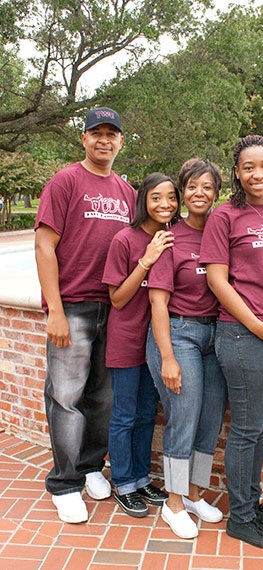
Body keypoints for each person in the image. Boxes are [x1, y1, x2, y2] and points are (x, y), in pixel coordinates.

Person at [200, 135, 263, 549]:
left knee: (259, 429)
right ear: (237, 173)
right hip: (243, 334)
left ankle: (251, 503)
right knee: (244, 430)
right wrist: (258, 325)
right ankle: (240, 517)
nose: (258, 173)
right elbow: (216, 280)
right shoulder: (225, 216)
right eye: (248, 167)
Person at [34, 107, 137, 524]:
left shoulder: (127, 192)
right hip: (73, 305)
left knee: (103, 397)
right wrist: (54, 309)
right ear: (84, 139)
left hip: (113, 307)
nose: (104, 140)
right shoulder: (65, 181)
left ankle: (92, 466)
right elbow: (44, 247)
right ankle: (65, 482)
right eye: (96, 133)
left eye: (112, 134)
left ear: (121, 142)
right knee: (66, 396)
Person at [146, 158, 227, 539]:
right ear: (182, 192)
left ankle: (194, 494)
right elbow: (158, 303)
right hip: (178, 333)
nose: (200, 194)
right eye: (193, 186)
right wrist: (167, 357)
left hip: (215, 337)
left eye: (208, 187)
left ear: (216, 193)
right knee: (184, 415)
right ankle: (173, 502)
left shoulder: (221, 230)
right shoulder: (170, 238)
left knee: (209, 418)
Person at [102, 173, 181, 517]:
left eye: (171, 198)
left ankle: (140, 476)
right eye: (156, 198)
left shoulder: (173, 239)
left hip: (157, 342)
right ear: (143, 202)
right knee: (124, 415)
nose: (165, 204)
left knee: (148, 414)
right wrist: (146, 260)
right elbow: (117, 299)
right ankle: (122, 482)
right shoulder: (125, 240)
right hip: (126, 340)